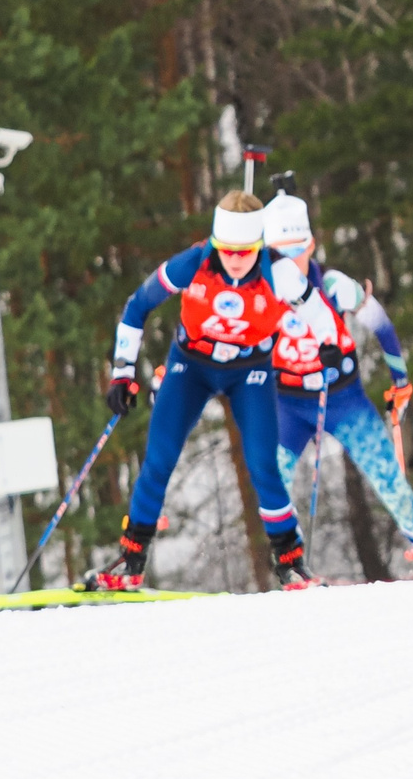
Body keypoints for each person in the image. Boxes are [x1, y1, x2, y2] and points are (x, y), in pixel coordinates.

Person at [82, 191, 316, 591]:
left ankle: (290, 562)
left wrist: (314, 362)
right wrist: (122, 372)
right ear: (215, 243)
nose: (236, 259)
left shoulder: (281, 274)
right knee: (159, 457)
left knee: (263, 464)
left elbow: (317, 319)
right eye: (227, 250)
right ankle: (131, 561)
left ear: (258, 246)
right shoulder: (192, 263)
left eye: (246, 251)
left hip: (250, 371)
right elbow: (137, 306)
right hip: (191, 366)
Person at [261, 188, 413, 579]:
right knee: (272, 481)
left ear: (311, 245)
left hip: (342, 398)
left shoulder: (333, 285)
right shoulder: (262, 290)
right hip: (288, 404)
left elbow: (380, 323)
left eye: (297, 249)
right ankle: (292, 565)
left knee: (389, 479)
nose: (290, 262)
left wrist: (399, 380)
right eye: (279, 252)